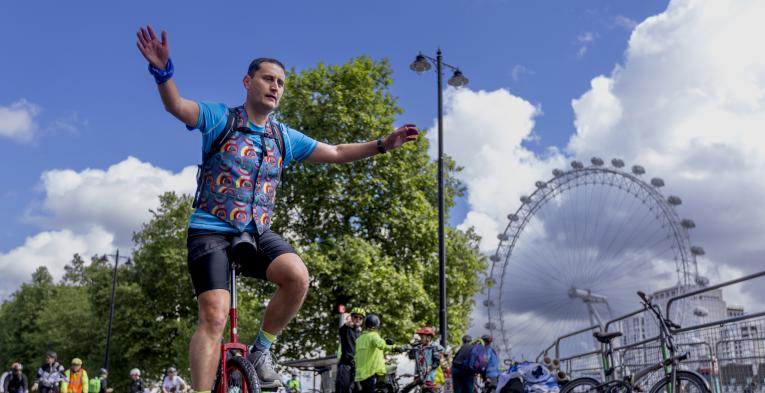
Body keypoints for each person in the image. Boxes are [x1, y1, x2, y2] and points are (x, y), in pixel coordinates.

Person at [135, 25, 419, 393]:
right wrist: (163, 73)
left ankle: (260, 352)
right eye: (268, 78)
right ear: (247, 81)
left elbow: (334, 152)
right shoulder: (220, 118)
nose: (275, 86)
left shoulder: (283, 137)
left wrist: (382, 144)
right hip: (211, 230)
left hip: (255, 231)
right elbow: (177, 106)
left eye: (281, 82)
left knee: (298, 277)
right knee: (214, 316)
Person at [354, 314, 395, 393]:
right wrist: (394, 347)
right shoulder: (373, 336)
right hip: (370, 373)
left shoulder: (359, 339)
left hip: (360, 374)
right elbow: (382, 345)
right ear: (377, 326)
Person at [336, 307, 365, 393]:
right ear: (351, 318)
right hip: (346, 365)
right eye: (356, 317)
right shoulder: (346, 329)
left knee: (359, 390)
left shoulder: (362, 334)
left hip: (358, 367)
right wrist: (346, 324)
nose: (358, 319)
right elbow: (341, 331)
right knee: (344, 389)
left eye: (360, 318)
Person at [413, 327, 444, 393]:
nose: (420, 339)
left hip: (430, 377)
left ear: (429, 338)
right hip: (419, 376)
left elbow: (436, 362)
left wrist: (430, 367)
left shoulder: (434, 347)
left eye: (422, 337)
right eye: (420, 337)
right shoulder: (419, 347)